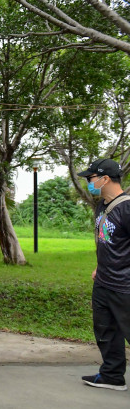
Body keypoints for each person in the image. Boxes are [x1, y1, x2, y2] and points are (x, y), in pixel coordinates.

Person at [78, 159, 130, 391]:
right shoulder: (102, 206)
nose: (89, 182)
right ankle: (111, 375)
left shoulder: (127, 208)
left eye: (90, 178)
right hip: (103, 281)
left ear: (105, 179)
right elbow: (106, 241)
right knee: (105, 330)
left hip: (125, 285)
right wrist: (100, 266)